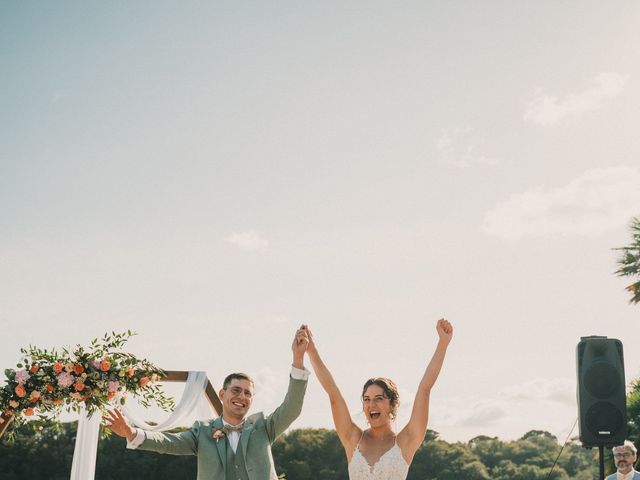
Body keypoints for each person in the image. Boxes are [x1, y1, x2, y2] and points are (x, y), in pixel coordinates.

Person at [103, 326, 310, 480]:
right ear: (222, 394)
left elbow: (292, 407)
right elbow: (168, 443)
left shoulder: (264, 427)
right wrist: (131, 432)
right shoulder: (201, 433)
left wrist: (298, 359)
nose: (242, 397)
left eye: (247, 393)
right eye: (236, 390)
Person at [304, 318, 452, 480]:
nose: (371, 404)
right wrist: (311, 351)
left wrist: (443, 344)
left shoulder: (405, 441)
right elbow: (333, 394)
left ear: (393, 404)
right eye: (366, 399)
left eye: (378, 398)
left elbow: (424, 389)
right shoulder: (352, 438)